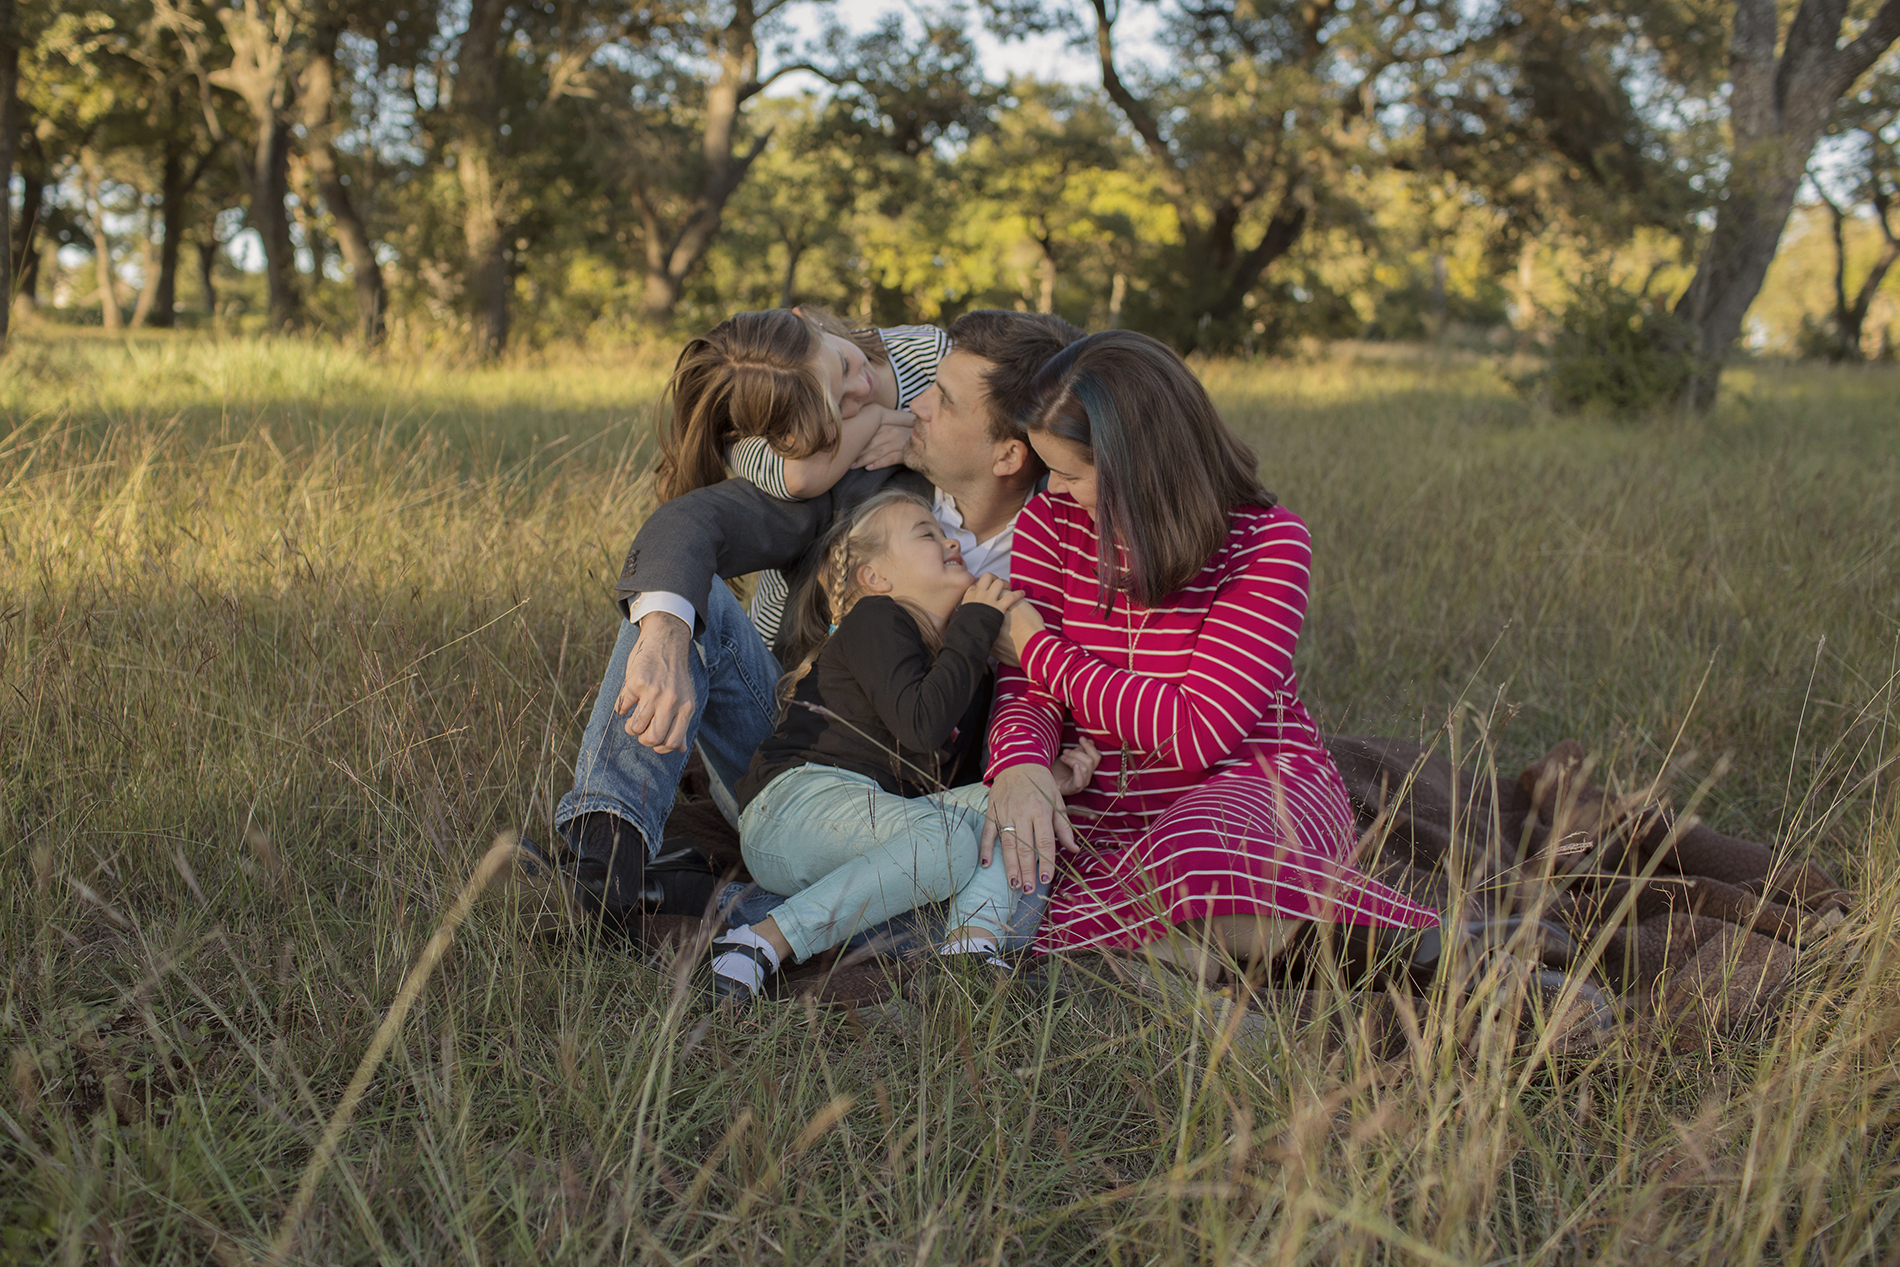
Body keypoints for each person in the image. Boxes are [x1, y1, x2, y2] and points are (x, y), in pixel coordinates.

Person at [499, 311, 1087, 933]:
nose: (916, 405)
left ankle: (703, 901)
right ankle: (607, 857)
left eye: (941, 398)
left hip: (923, 801)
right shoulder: (869, 490)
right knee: (686, 609)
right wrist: (665, 636)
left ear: (1009, 453)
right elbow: (697, 524)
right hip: (795, 759)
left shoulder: (1070, 537)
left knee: (940, 876)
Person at [982, 330, 1443, 983]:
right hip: (1104, 807)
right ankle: (1190, 941)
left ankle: (1444, 958)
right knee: (1016, 882)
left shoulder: (1268, 543)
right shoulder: (1048, 527)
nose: (1052, 490)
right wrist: (1021, 765)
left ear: (1137, 466)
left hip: (1249, 786)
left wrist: (1035, 646)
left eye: (1071, 472)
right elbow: (1026, 692)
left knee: (1203, 856)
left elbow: (1198, 731)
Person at [703, 489, 1101, 1007]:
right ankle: (762, 937)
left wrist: (1044, 777)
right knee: (952, 839)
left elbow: (962, 790)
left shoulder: (963, 669)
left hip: (880, 832)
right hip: (795, 808)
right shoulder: (878, 618)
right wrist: (978, 621)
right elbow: (920, 725)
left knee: (1014, 811)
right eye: (927, 534)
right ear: (875, 578)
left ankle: (968, 961)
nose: (952, 542)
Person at [654, 309, 951, 646]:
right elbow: (797, 477)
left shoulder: (926, 355)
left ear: (812, 323)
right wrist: (878, 417)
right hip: (786, 641)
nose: (863, 386)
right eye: (839, 409)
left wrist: (919, 444)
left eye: (843, 364)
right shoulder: (759, 441)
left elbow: (993, 426)